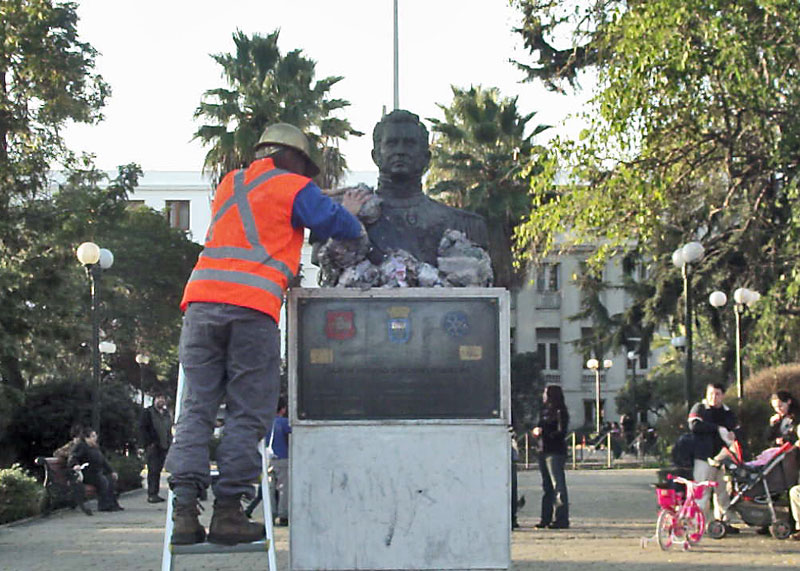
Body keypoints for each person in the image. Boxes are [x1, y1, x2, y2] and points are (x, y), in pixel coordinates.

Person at [164, 122, 368, 546]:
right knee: (246, 411)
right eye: (305, 168)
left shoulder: (230, 183)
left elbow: (262, 226)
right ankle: (228, 514)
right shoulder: (292, 186)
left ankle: (183, 512)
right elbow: (337, 225)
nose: (308, 177)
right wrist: (347, 206)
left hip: (201, 304)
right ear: (291, 158)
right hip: (251, 311)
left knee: (197, 408)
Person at [364, 109, 489, 266]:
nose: (400, 151)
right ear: (376, 156)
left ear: (426, 158)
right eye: (392, 143)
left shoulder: (464, 226)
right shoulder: (350, 225)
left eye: (409, 144)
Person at [688, 382, 739, 534]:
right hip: (704, 457)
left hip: (723, 459)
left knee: (722, 494)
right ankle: (698, 524)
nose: (713, 397)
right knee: (702, 492)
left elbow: (737, 429)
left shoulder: (727, 412)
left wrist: (734, 434)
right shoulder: (699, 408)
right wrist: (716, 429)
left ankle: (723, 524)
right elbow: (694, 426)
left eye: (717, 394)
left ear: (723, 395)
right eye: (711, 393)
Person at [532, 384, 569, 529]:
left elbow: (561, 432)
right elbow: (539, 426)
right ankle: (545, 518)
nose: (543, 395)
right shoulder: (544, 411)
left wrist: (544, 433)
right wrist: (536, 432)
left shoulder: (560, 411)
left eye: (546, 393)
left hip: (555, 451)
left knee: (557, 485)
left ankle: (561, 518)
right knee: (547, 486)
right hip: (543, 450)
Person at [68, 427, 123, 512]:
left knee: (110, 478)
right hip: (86, 474)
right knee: (102, 480)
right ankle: (104, 505)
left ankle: (112, 504)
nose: (95, 438)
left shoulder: (95, 447)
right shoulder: (81, 446)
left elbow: (103, 461)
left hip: (96, 472)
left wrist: (111, 471)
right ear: (86, 438)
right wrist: (75, 465)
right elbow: (73, 458)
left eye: (95, 436)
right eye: (92, 436)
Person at [139, 393, 173, 503]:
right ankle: (152, 494)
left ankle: (156, 493)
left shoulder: (166, 414)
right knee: (153, 470)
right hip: (153, 446)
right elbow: (143, 429)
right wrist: (149, 443)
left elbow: (168, 429)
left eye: (162, 398)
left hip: (164, 446)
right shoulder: (148, 412)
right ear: (155, 400)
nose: (161, 400)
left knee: (158, 470)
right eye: (158, 398)